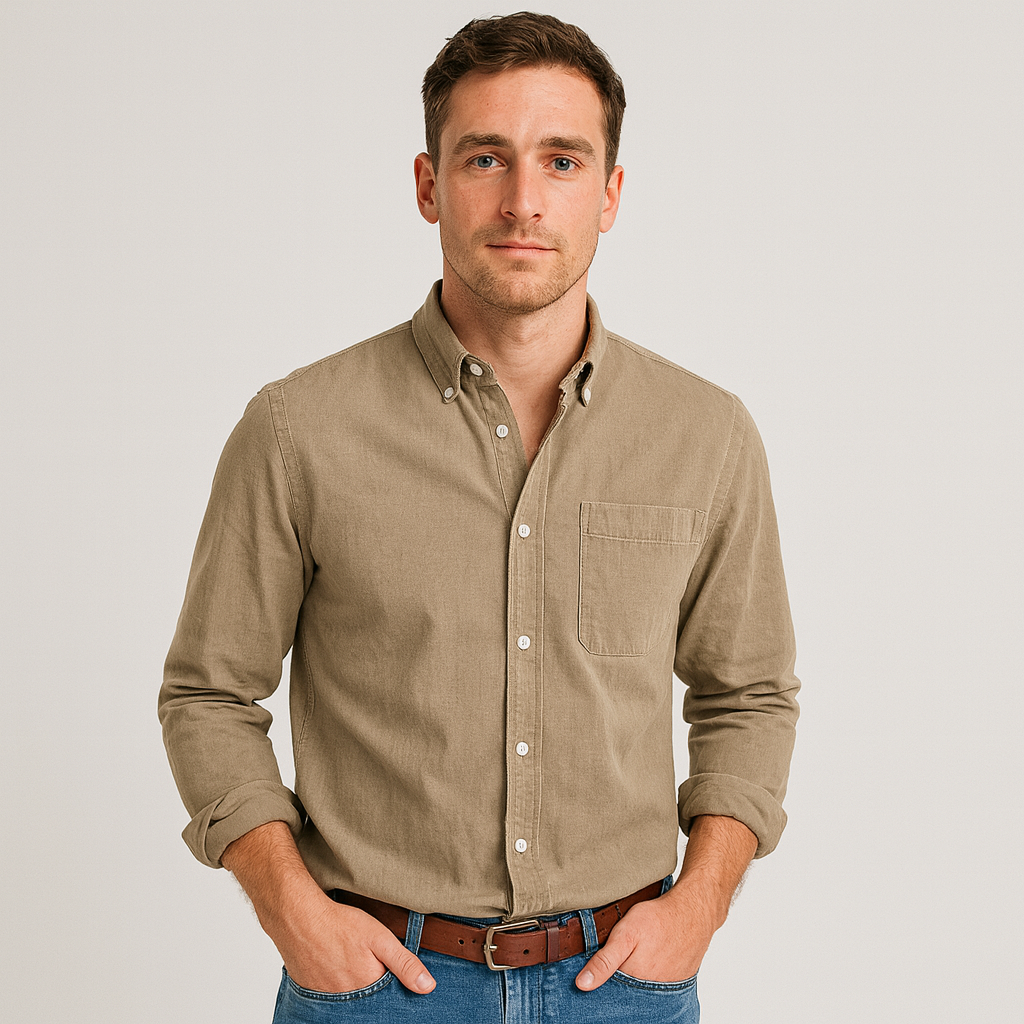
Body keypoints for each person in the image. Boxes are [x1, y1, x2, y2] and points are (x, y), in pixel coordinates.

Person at [159, 12, 799, 1022]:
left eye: (561, 160)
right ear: (428, 185)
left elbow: (749, 693)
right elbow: (207, 692)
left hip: (623, 985)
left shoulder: (705, 434)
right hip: (374, 986)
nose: (522, 200)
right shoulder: (298, 429)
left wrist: (701, 904)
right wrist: (293, 912)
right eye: (485, 157)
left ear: (610, 193)